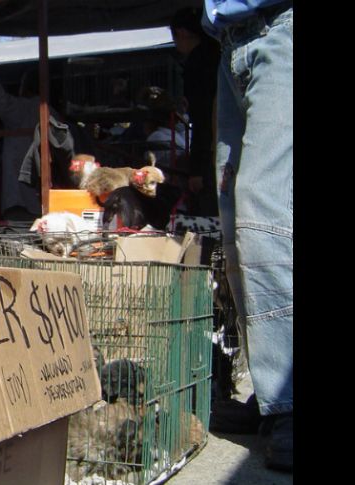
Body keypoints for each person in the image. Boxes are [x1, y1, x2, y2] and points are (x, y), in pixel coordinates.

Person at [203, 0, 293, 472]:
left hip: (283, 24)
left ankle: (287, 399)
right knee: (237, 217)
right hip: (231, 41)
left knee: (264, 207)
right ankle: (274, 387)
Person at [0, 64, 49, 220]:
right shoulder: (51, 113)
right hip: (41, 199)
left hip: (21, 200)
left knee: (19, 239)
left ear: (25, 88)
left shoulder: (23, 110)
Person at [170, 7, 220, 217]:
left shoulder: (199, 65)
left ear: (181, 33)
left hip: (212, 149)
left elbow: (202, 118)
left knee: (210, 216)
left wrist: (198, 169)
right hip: (219, 143)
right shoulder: (217, 54)